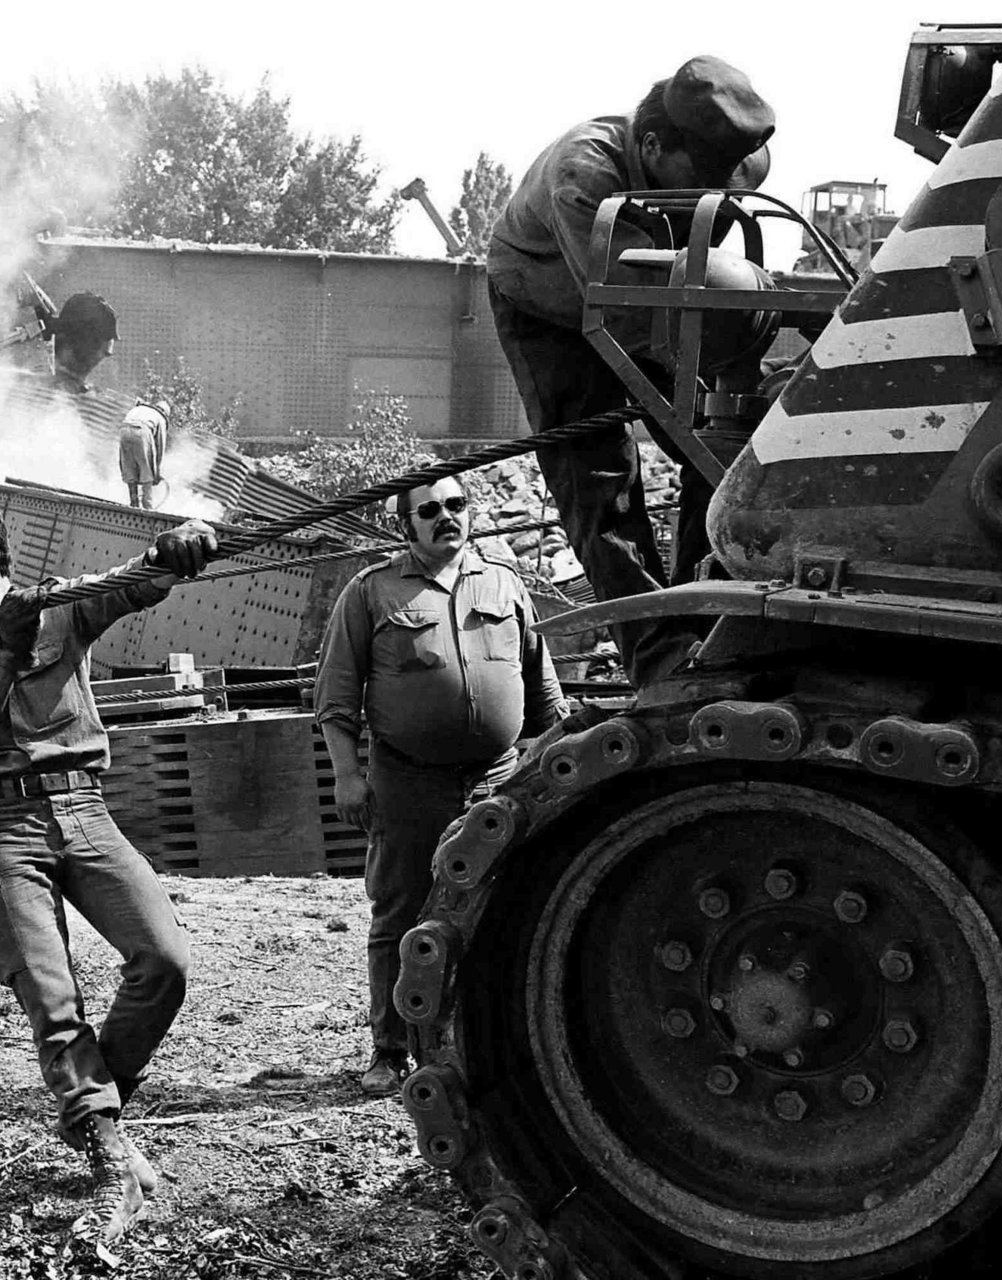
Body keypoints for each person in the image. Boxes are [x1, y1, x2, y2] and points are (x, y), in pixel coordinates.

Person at [0, 487, 216, 1246]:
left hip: (83, 808)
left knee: (164, 958)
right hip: (5, 824)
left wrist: (177, 550)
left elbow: (133, 583)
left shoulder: (62, 607)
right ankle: (108, 1148)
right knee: (50, 994)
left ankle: (98, 1101)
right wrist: (9, 654)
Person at [487, 55, 775, 689]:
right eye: (698, 179)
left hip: (664, 297)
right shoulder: (583, 174)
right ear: (649, 146)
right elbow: (622, 302)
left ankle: (706, 621)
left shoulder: (735, 157)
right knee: (601, 484)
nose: (715, 191)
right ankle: (660, 658)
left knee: (719, 445)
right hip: (551, 308)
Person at [314, 477, 568, 1097]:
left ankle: (490, 1041)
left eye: (456, 506)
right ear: (407, 526)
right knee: (401, 910)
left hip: (499, 780)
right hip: (407, 781)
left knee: (506, 905)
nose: (445, 518)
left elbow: (543, 689)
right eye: (429, 511)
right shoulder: (371, 591)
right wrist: (349, 775)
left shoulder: (504, 585)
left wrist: (558, 754)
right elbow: (336, 699)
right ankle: (390, 1049)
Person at [118, 400, 170, 510]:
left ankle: (134, 503)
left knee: (129, 466)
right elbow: (160, 447)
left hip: (123, 430)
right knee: (148, 472)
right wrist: (156, 473)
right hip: (142, 431)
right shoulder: (160, 418)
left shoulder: (139, 409)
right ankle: (148, 507)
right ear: (165, 413)